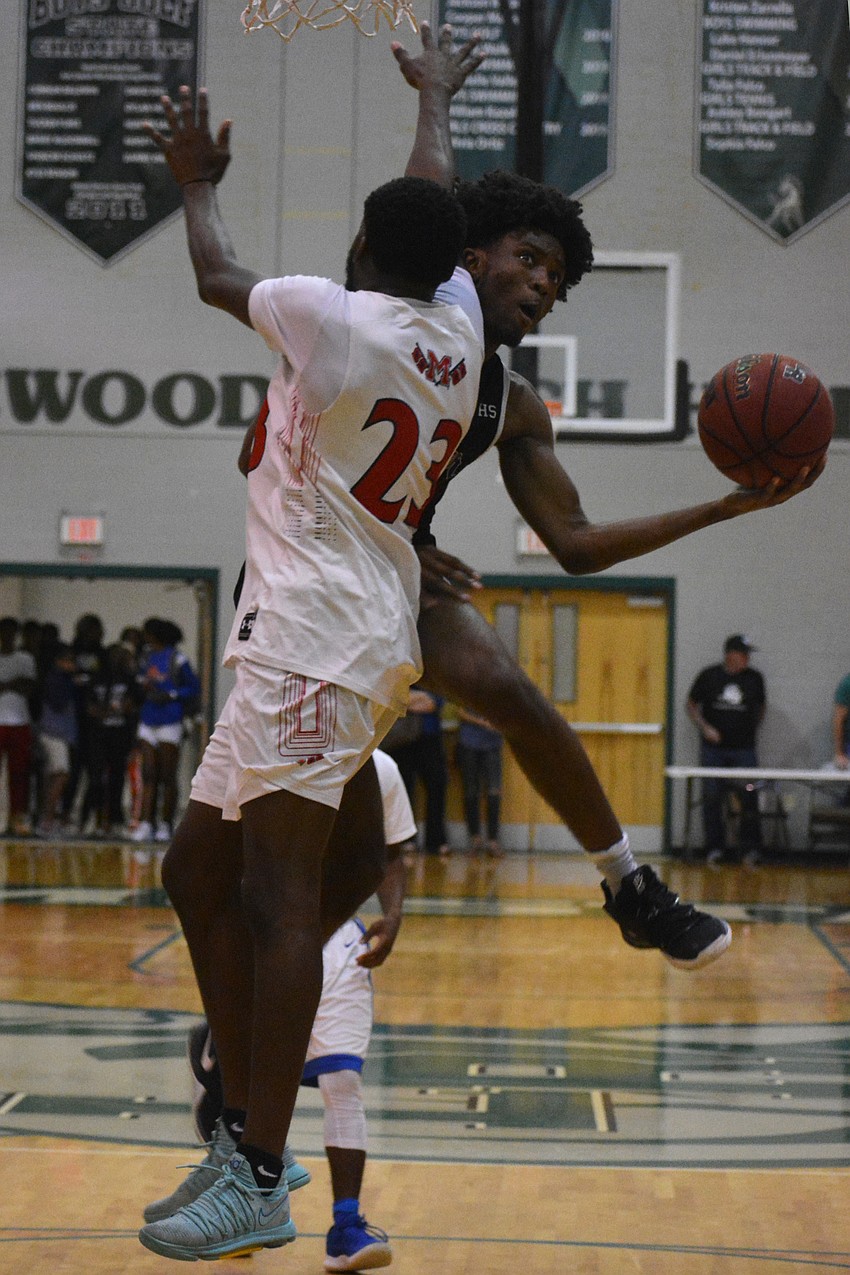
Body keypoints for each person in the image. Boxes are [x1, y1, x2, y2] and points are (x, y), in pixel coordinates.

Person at [138, 83, 482, 1262]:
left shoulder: (332, 319)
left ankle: (259, 1173)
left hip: (314, 643)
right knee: (195, 871)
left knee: (278, 901)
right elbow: (433, 197)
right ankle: (243, 1135)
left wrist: (194, 181)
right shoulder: (458, 330)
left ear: (367, 253)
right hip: (322, 636)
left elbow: (213, 272)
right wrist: (434, 98)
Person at [385, 23, 823, 941]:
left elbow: (576, 547)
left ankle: (629, 884)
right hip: (309, 558)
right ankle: (236, 1033)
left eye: (559, 277)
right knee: (265, 856)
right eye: (532, 260)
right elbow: (427, 208)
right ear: (471, 257)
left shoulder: (512, 403)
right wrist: (435, 97)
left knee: (517, 694)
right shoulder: (402, 309)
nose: (546, 286)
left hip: (395, 568)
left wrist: (727, 505)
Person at [150, 748, 414, 1272]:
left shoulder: (379, 765)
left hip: (335, 942)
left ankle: (345, 1224)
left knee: (342, 1083)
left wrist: (393, 913)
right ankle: (237, 1183)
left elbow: (390, 853)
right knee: (241, 1069)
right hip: (266, 931)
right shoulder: (262, 743)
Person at [686, 635, 766, 863]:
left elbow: (761, 708)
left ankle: (750, 848)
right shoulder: (709, 676)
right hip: (714, 749)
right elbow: (691, 705)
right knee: (712, 797)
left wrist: (749, 729)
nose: (747, 659)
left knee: (749, 795)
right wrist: (705, 728)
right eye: (744, 654)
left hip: (744, 749)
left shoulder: (754, 679)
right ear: (731, 655)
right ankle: (715, 848)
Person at [133, 618, 201, 844]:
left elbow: (193, 687)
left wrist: (171, 694)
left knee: (167, 775)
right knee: (149, 773)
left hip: (170, 719)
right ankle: (145, 822)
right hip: (148, 718)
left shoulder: (177, 659)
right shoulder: (146, 657)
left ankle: (165, 823)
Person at [384, 682, 449, 856]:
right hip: (402, 738)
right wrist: (414, 698)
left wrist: (410, 700)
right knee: (405, 788)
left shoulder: (434, 671)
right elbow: (392, 698)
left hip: (430, 737)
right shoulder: (402, 669)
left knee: (437, 786)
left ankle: (435, 841)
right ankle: (406, 840)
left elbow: (433, 703)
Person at [35, 643, 78, 838]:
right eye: (68, 660)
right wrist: (72, 684)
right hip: (53, 734)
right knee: (60, 774)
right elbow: (59, 703)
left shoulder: (63, 679)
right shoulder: (55, 680)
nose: (73, 664)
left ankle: (49, 818)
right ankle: (47, 821)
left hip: (61, 734)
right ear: (58, 661)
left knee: (53, 776)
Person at [0, 616, 37, 836]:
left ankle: (17, 818)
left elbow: (29, 686)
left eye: (12, 632)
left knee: (19, 773)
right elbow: (20, 683)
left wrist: (9, 684)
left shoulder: (25, 659)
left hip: (19, 721)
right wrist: (14, 683)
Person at [456, 707, 503, 856]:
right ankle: (475, 839)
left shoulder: (499, 688)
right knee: (471, 791)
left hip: (493, 743)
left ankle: (493, 840)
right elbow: (460, 711)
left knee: (494, 792)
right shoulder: (466, 685)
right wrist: (482, 722)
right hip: (469, 741)